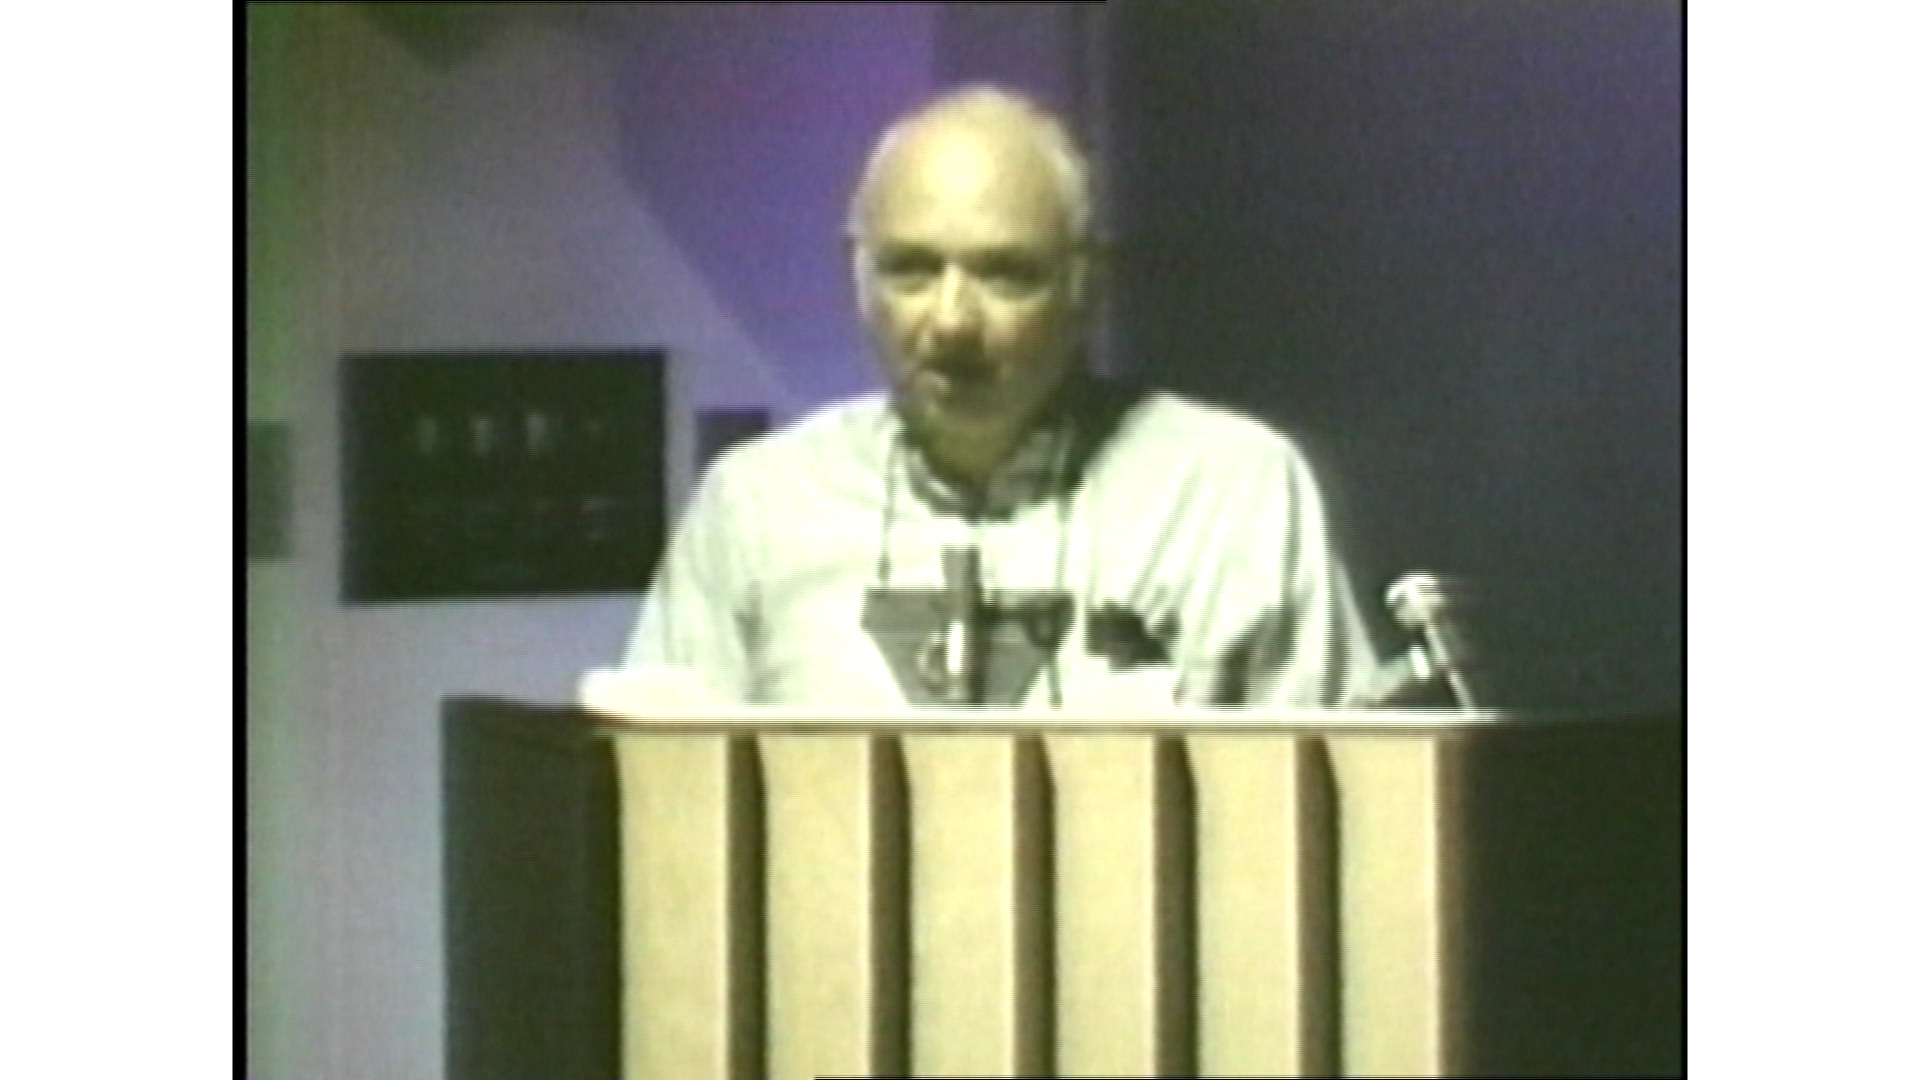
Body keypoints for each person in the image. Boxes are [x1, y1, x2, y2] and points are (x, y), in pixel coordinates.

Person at [591, 86, 1379, 710]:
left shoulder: (1230, 493)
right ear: (857, 279)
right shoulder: (755, 509)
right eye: (911, 270)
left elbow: (1334, 803)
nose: (951, 322)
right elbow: (661, 799)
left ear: (1086, 285)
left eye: (1005, 274)